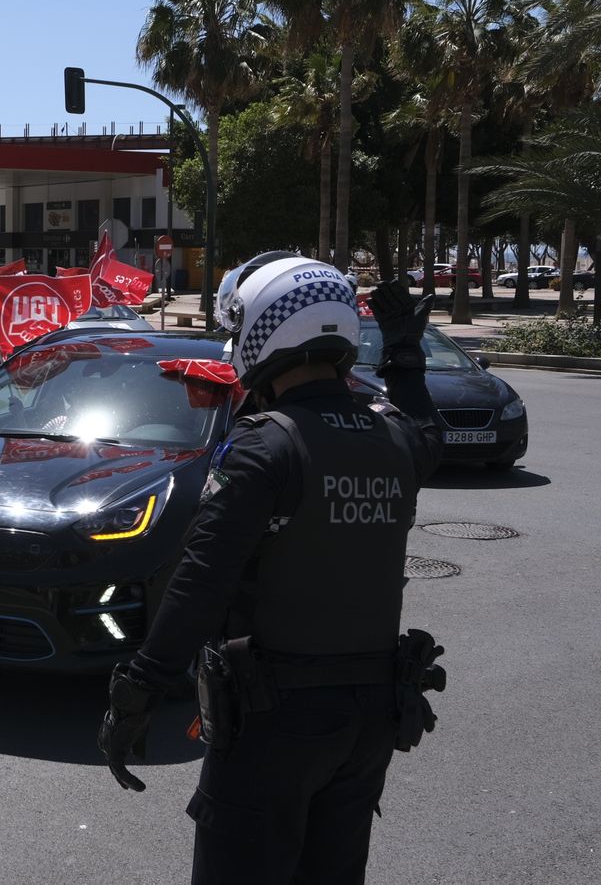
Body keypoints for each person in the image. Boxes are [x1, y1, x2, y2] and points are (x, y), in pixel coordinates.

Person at [98, 252, 447, 884]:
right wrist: (404, 353)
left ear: (267, 327)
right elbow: (429, 430)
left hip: (274, 723)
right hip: (369, 719)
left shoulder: (268, 444)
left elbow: (202, 578)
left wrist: (139, 690)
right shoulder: (395, 439)